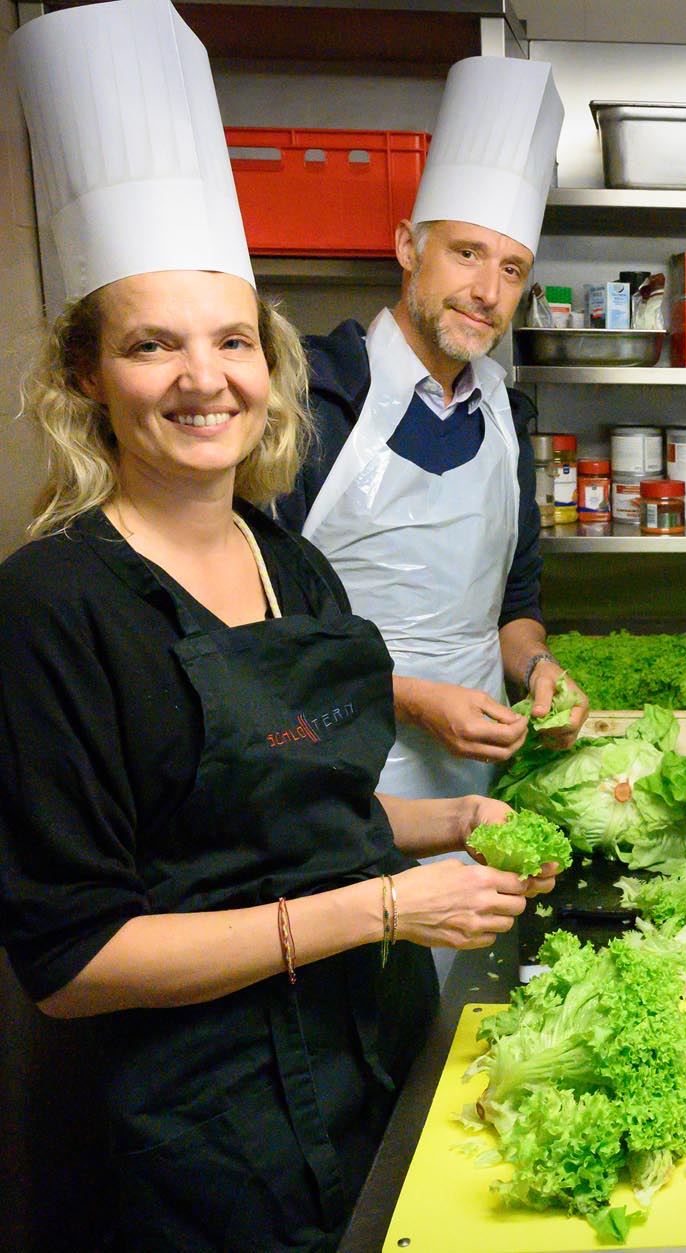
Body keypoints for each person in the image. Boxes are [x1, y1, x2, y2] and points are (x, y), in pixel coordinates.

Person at [0, 4, 557, 1247]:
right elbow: (72, 959)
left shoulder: (290, 564)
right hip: (208, 1117)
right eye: (154, 344)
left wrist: (450, 819)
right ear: (89, 374)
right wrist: (385, 906)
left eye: (231, 339)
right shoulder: (55, 604)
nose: (205, 378)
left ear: (267, 362)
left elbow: (300, 809)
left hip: (369, 1044)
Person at [271, 56, 583, 803]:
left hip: (481, 780)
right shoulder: (310, 400)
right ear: (410, 246)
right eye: (466, 252)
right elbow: (258, 631)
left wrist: (538, 668)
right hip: (332, 782)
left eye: (511, 269)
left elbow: (513, 605)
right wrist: (411, 699)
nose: (485, 291)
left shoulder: (508, 417)